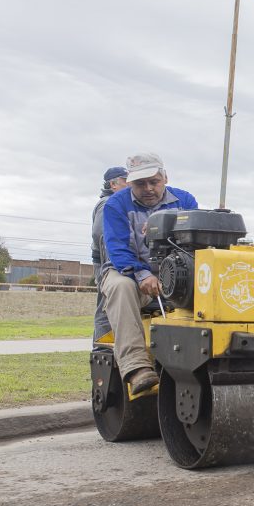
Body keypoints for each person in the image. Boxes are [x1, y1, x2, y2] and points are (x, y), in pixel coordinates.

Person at [100, 153, 198, 393]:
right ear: (129, 182)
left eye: (154, 181)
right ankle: (136, 367)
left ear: (165, 177)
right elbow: (118, 249)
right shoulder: (116, 205)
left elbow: (197, 241)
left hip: (177, 275)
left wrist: (164, 221)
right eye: (140, 183)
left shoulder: (184, 200)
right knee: (120, 287)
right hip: (129, 273)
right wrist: (142, 275)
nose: (148, 188)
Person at [92, 167, 129, 340]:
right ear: (113, 184)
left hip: (113, 262)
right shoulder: (107, 203)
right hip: (107, 263)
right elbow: (102, 235)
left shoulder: (118, 203)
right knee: (106, 308)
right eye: (126, 180)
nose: (131, 184)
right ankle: (101, 350)